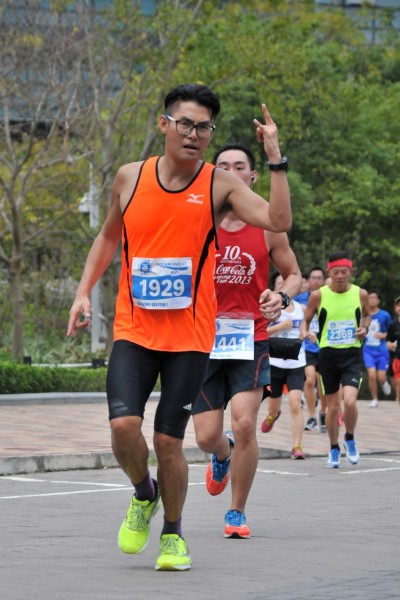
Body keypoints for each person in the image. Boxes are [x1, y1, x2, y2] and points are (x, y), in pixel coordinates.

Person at [67, 83, 291, 571]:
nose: (194, 134)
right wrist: (84, 291)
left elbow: (278, 219)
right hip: (134, 329)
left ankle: (172, 533)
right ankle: (143, 493)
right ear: (164, 124)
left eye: (203, 127)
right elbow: (108, 237)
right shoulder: (130, 177)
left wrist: (275, 159)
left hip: (190, 338)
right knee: (123, 427)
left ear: (210, 133)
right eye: (185, 123)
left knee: (169, 441)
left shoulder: (219, 185)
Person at [191, 143, 301, 539]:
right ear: (212, 175)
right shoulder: (198, 224)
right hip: (203, 340)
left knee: (244, 423)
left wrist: (281, 297)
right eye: (223, 166)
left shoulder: (268, 226)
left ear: (252, 177)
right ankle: (222, 455)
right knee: (206, 436)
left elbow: (293, 274)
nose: (232, 172)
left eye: (240, 166)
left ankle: (236, 511)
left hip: (250, 338)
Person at [300, 251, 370, 468]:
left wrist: (364, 328)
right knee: (333, 407)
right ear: (329, 272)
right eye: (336, 272)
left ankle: (349, 438)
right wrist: (305, 331)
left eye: (344, 272)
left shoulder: (360, 294)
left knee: (349, 401)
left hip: (352, 355)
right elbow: (306, 319)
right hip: (328, 356)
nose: (340, 276)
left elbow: (367, 315)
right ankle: (333, 447)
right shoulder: (318, 296)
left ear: (351, 271)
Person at [261, 273, 306, 460]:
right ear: (274, 287)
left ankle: (297, 446)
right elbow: (261, 333)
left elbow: (306, 328)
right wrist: (280, 326)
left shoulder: (302, 309)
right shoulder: (268, 309)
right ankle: (273, 415)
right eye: (279, 283)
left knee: (295, 403)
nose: (283, 286)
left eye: (286, 283)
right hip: (275, 362)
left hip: (296, 361)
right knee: (273, 407)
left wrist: (306, 333)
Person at [301, 267, 327, 432]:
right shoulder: (300, 299)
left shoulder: (329, 298)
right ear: (309, 280)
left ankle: (323, 413)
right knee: (310, 380)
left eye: (319, 278)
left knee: (324, 383)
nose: (316, 281)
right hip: (307, 347)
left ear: (323, 280)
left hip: (325, 346)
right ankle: (311, 417)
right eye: (313, 278)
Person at [363, 291, 392, 407]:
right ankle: (374, 399)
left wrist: (383, 335)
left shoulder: (385, 315)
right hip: (368, 350)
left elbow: (391, 332)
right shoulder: (363, 314)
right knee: (371, 374)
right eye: (369, 297)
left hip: (382, 350)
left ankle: (384, 382)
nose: (371, 300)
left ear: (378, 300)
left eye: (374, 297)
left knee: (380, 376)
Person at [386, 296, 400, 405]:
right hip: (396, 356)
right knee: (397, 380)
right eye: (398, 305)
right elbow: (388, 341)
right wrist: (389, 345)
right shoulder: (392, 325)